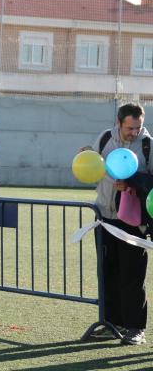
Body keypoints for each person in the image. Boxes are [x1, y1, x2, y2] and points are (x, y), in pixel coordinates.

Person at [81, 103, 149, 345]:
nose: (135, 132)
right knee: (107, 272)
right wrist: (87, 153)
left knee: (132, 276)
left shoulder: (148, 145)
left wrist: (131, 182)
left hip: (133, 221)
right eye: (130, 127)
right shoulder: (106, 137)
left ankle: (135, 328)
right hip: (103, 216)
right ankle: (112, 323)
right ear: (119, 123)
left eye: (138, 127)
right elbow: (94, 163)